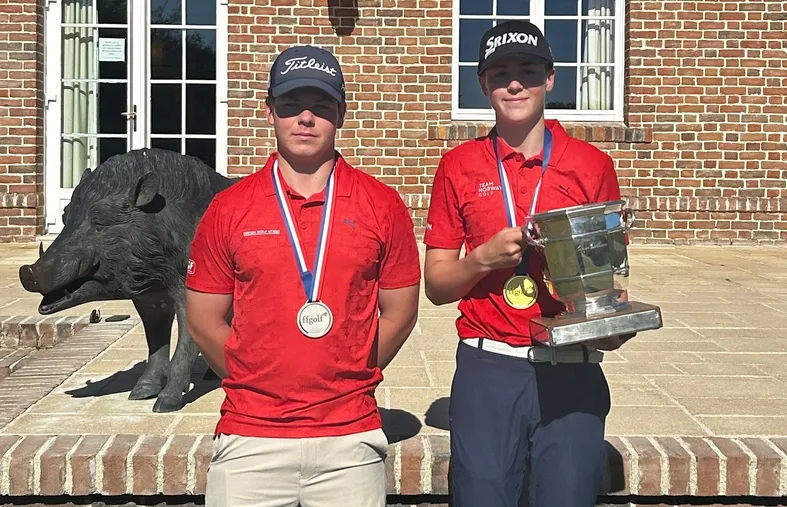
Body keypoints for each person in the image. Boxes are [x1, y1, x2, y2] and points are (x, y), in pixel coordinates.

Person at [184, 44, 421, 507]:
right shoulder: (230, 208)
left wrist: (350, 373)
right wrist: (255, 379)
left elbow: (400, 313)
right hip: (250, 437)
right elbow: (202, 319)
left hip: (350, 440)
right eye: (291, 105)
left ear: (342, 114)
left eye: (321, 106)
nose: (305, 118)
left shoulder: (382, 204)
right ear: (270, 111)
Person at [423, 20, 633, 507]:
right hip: (488, 365)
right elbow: (436, 285)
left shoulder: (591, 165)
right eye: (500, 73)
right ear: (482, 84)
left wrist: (610, 322)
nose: (514, 84)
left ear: (550, 78)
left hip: (572, 367)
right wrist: (481, 259)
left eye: (529, 72)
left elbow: (605, 282)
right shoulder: (458, 165)